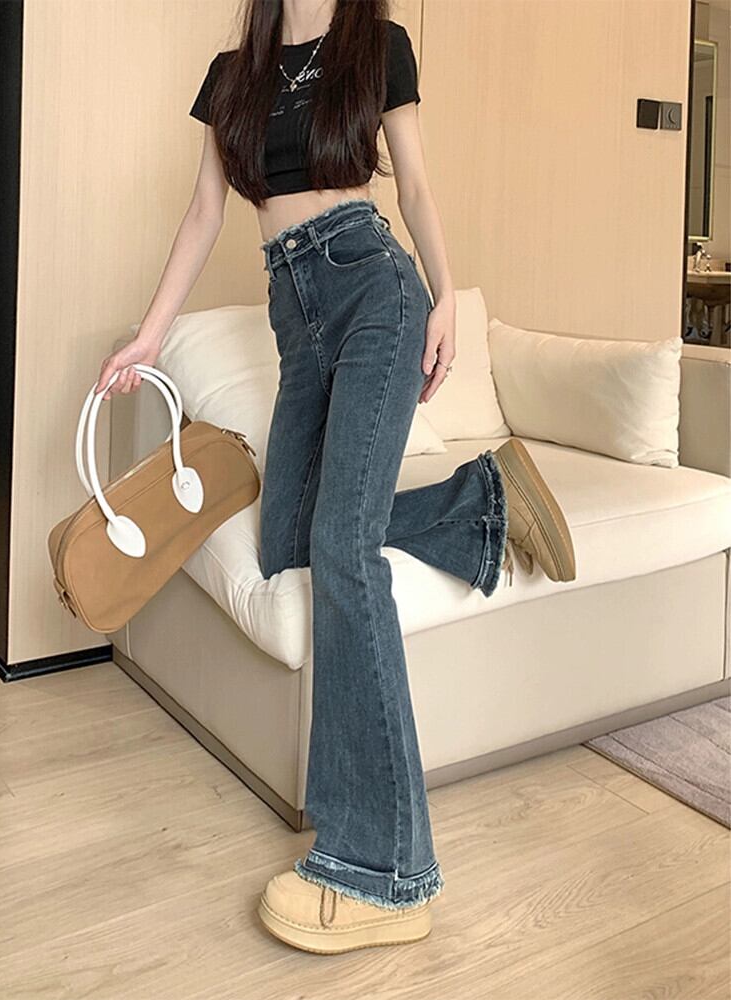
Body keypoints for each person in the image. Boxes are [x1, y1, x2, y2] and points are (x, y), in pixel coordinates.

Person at [95, 0, 576, 956]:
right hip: (297, 316)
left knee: (344, 552)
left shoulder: (377, 46)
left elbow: (417, 188)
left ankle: (385, 868)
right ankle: (481, 503)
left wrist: (448, 299)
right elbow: (204, 213)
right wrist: (149, 335)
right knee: (289, 543)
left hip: (373, 290)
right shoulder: (234, 74)